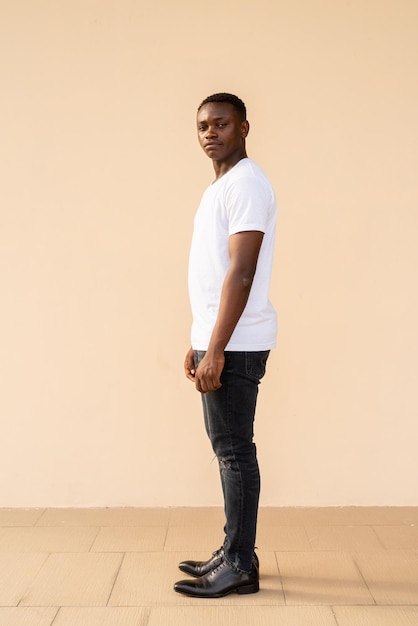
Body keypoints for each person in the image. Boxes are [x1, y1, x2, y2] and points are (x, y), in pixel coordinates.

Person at [174, 93, 277, 598]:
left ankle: (238, 562)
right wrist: (199, 339)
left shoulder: (247, 185)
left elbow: (241, 271)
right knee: (227, 450)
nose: (210, 133)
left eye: (221, 124)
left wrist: (216, 348)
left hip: (235, 344)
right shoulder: (220, 186)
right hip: (219, 340)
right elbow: (213, 273)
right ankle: (237, 551)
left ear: (243, 127)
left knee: (234, 452)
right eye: (202, 126)